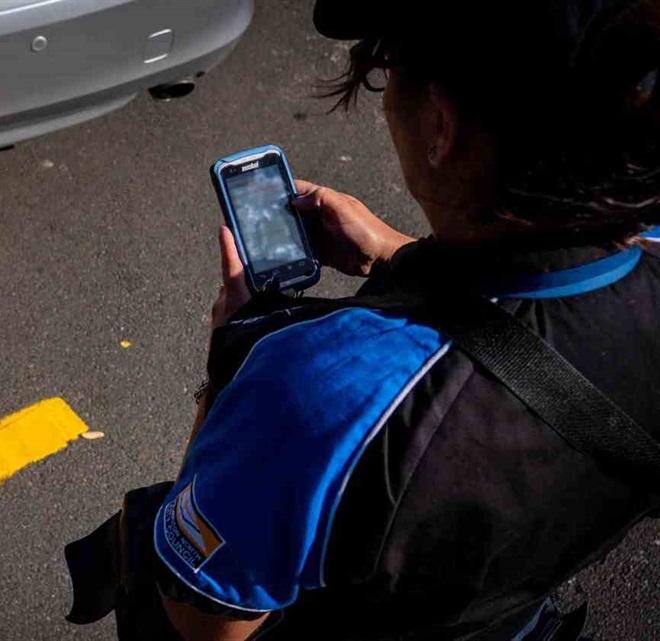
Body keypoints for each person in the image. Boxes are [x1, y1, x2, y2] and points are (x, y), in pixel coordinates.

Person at [84, 1, 660, 640]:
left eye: (388, 74)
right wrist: (400, 254)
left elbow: (204, 625)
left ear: (439, 125)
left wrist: (231, 365)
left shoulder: (318, 393)